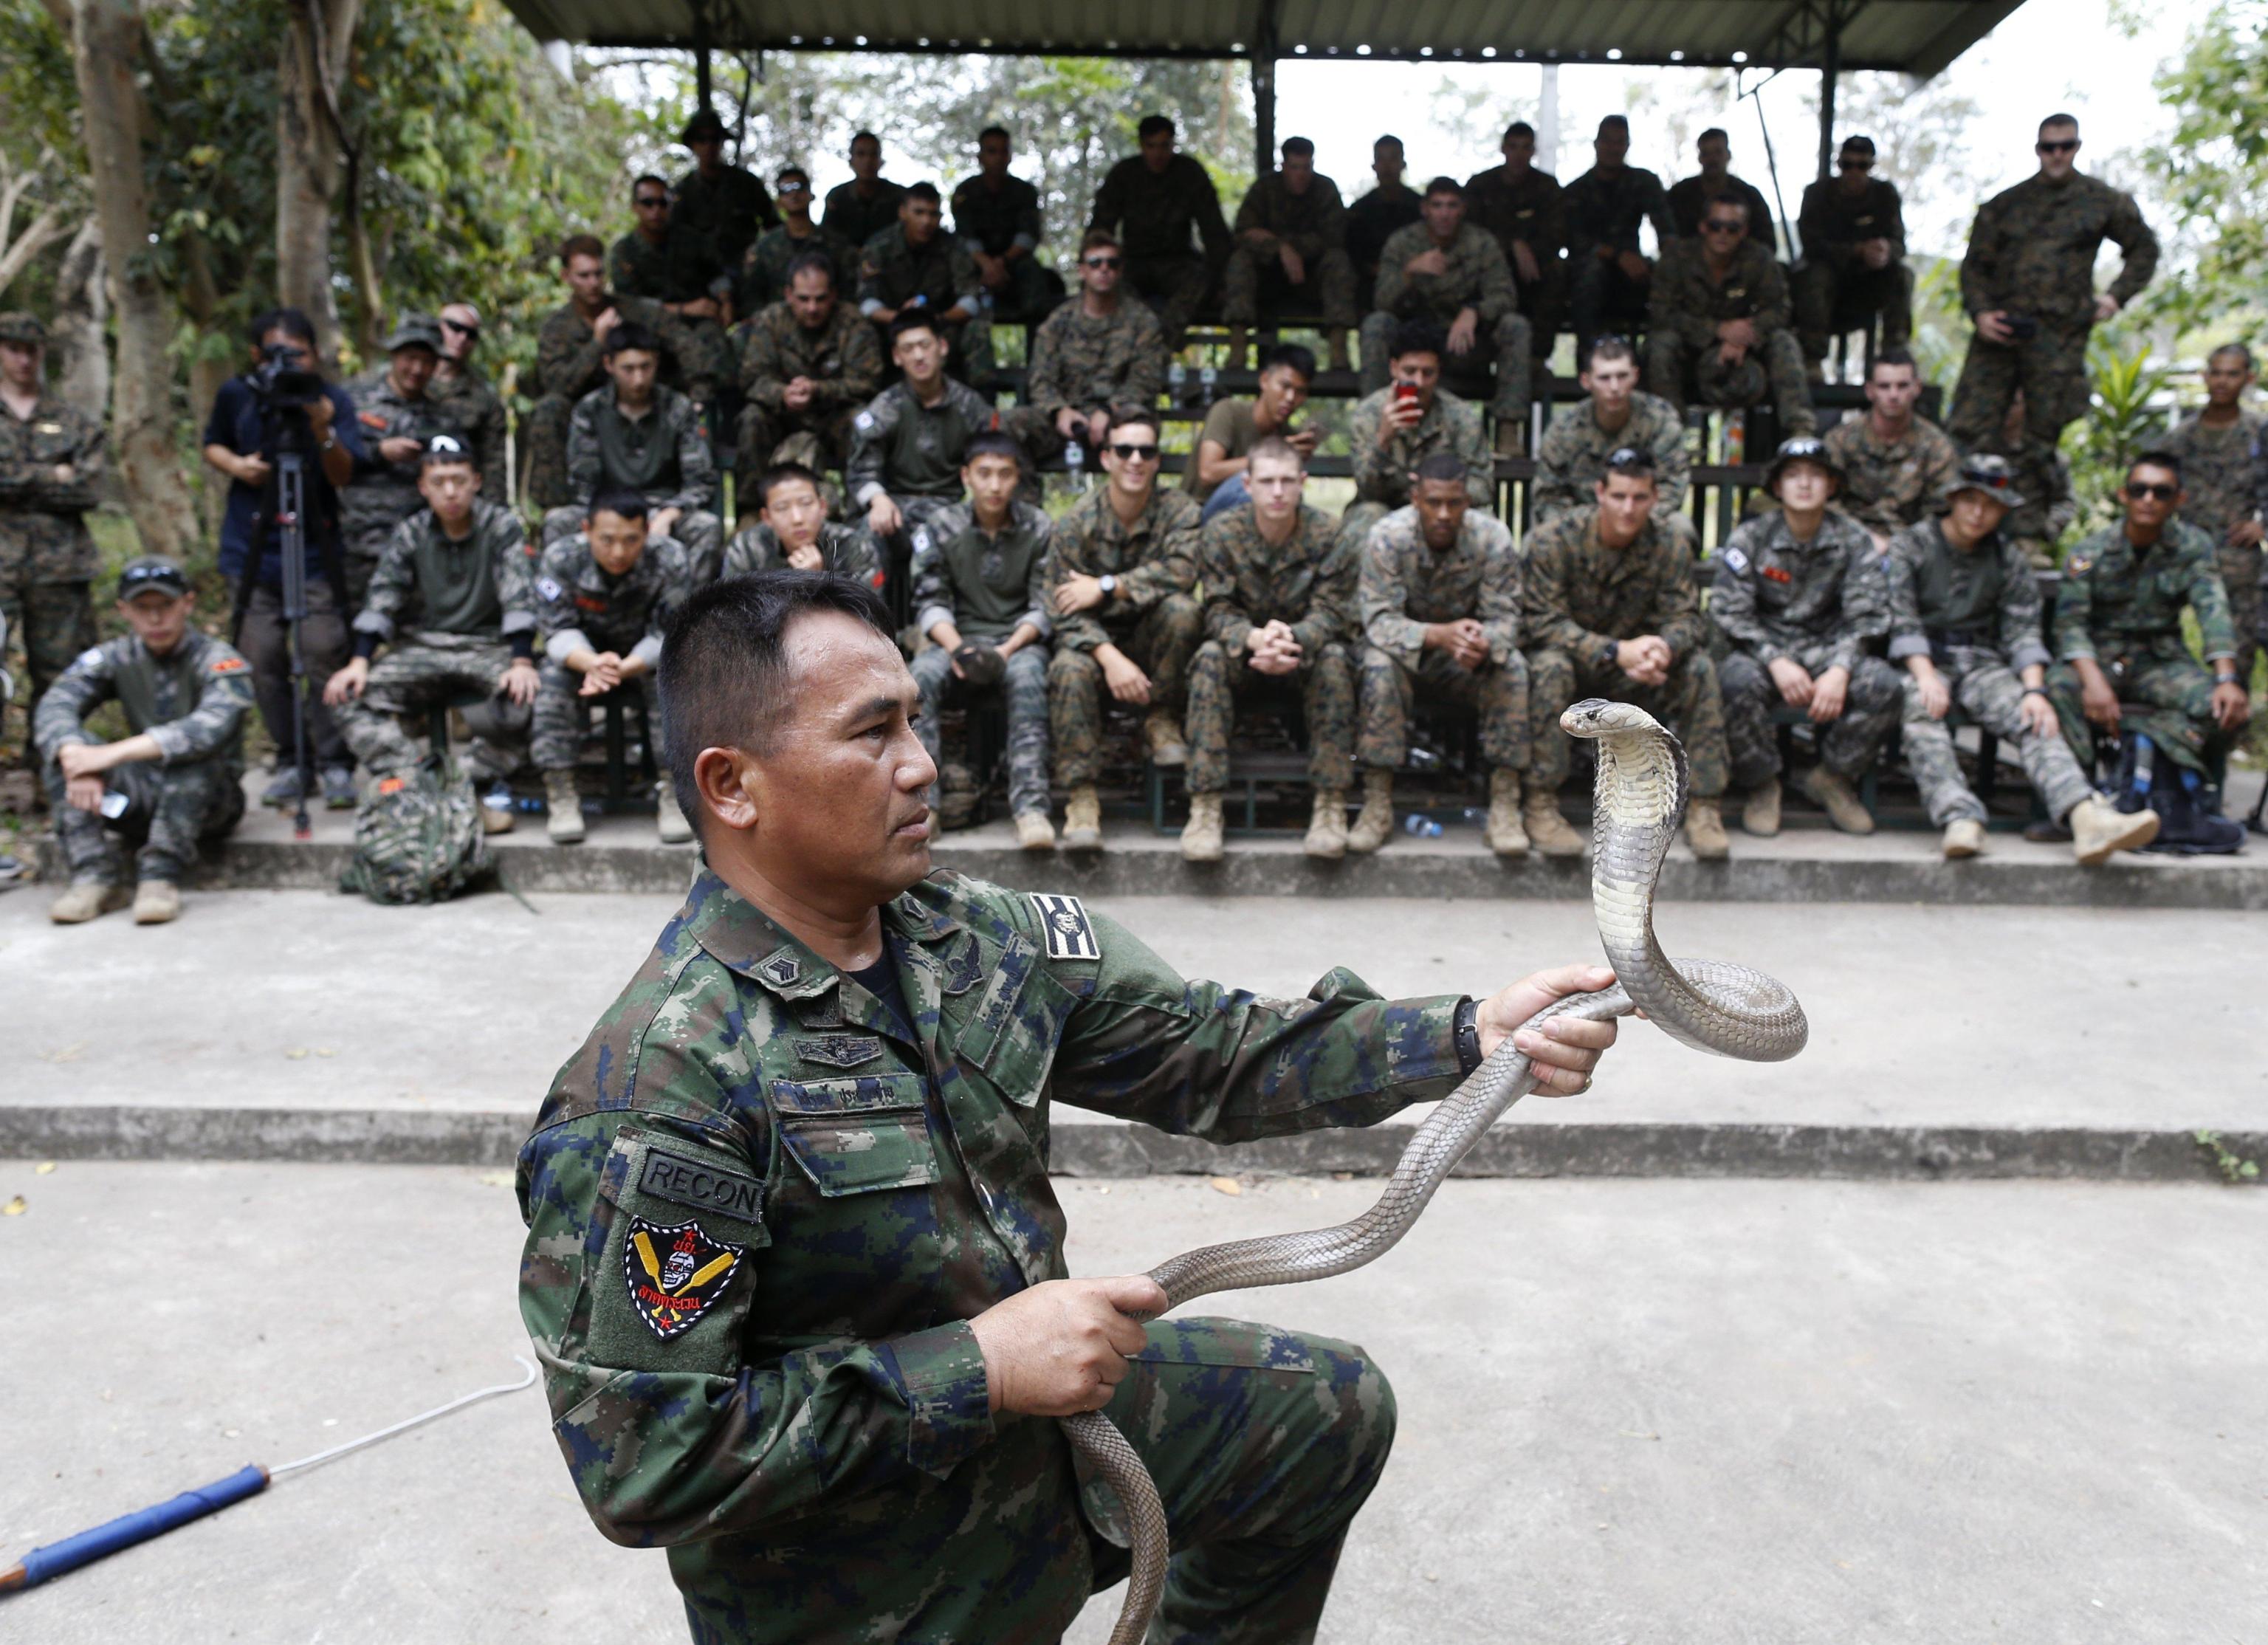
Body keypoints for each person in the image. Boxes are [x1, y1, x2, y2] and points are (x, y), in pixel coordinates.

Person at [515, 568, 1621, 1645]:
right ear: (731, 785)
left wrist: (1469, 1033)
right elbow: (645, 1461)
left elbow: (1208, 1051)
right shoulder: (659, 1086)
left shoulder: (972, 935)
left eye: (916, 722)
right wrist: (981, 1367)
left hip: (1045, 1438)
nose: (922, 766)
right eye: (871, 734)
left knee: (1326, 1413)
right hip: (859, 1577)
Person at [1885, 453, 2159, 862]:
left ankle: (2084, 817)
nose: (1978, 514)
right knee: (1922, 709)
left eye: (1991, 505)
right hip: (1922, 659)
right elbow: (1900, 617)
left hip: (1979, 659)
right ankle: (1960, 818)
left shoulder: (2007, 559)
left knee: (2035, 716)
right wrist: (1925, 675)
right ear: (1953, 500)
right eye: (1970, 501)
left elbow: (2022, 630)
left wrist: (2034, 689)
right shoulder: (1914, 544)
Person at [1522, 448, 1730, 860]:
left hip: (1642, 670)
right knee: (1547, 667)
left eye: (1639, 498)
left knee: (1699, 668)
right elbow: (1540, 622)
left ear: (1655, 499)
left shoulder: (1668, 543)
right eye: (1619, 496)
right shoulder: (1555, 539)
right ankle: (1541, 802)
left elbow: (1687, 618)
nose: (1629, 508)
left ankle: (1705, 806)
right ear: (1600, 493)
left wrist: (1663, 649)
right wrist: (1616, 651)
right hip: (1580, 667)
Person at [326, 436, 536, 829]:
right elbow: (383, 596)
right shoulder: (412, 532)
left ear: (475, 481)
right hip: (426, 645)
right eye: (438, 482)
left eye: (458, 480)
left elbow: (518, 594)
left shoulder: (500, 526)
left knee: (531, 697)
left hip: (486, 645)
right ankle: (416, 779)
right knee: (347, 695)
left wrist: (522, 660)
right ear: (423, 487)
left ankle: (469, 782)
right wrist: (359, 661)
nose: (450, 492)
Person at [202, 306, 364, 810]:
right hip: (253, 545)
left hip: (317, 547)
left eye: (300, 354)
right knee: (262, 658)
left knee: (323, 651)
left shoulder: (331, 400)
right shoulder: (238, 395)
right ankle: (292, 759)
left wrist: (323, 430)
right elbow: (212, 444)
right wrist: (239, 465)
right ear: (256, 355)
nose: (291, 365)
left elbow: (343, 474)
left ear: (316, 354)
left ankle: (335, 761)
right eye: (279, 354)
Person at [36, 557, 252, 925]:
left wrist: (106, 756)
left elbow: (209, 728)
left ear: (187, 603)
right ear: (124, 611)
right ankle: (94, 877)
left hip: (208, 804)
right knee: (63, 752)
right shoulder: (113, 656)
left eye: (165, 607)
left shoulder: (219, 660)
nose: (155, 620)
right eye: (142, 609)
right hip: (137, 798)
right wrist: (75, 757)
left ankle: (160, 877)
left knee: (191, 755)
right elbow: (57, 703)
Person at [1710, 437, 1899, 837]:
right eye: (1793, 476)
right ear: (1777, 487)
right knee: (1734, 681)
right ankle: (1763, 784)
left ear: (1832, 485)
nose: (1805, 484)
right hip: (1765, 649)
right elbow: (1730, 612)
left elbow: (1868, 615)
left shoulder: (1853, 539)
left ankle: (1832, 777)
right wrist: (1775, 659)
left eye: (1816, 476)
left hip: (1830, 648)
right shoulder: (1752, 538)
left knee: (1883, 685)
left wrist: (1840, 669)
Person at [1181, 436, 1358, 862]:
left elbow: (1335, 612)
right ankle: (1204, 808)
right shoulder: (1223, 533)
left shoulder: (1330, 534)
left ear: (1303, 482)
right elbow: (1217, 609)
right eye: (1267, 481)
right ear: (1247, 484)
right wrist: (1254, 639)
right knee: (1207, 658)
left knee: (1336, 660)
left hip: (1305, 657)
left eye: (1286, 481)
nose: (1277, 492)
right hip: (1247, 655)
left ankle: (1330, 805)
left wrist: (1290, 639)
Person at [1348, 451, 1528, 857]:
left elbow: (1508, 619)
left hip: (1463, 662)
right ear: (1416, 498)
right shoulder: (1388, 537)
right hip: (1405, 661)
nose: (1444, 513)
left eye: (1454, 502)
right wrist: (1438, 635)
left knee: (1512, 666)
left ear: (1468, 501)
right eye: (1434, 502)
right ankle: (1377, 802)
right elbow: (1379, 622)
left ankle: (1505, 802)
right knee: (1376, 664)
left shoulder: (1492, 538)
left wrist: (1484, 643)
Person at [1949, 114, 2159, 451]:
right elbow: (1974, 267)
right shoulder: (2005, 205)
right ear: (2038, 150)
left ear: (2077, 147)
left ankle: (2038, 504)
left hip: (2059, 334)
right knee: (1969, 427)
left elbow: (2144, 249)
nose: (2057, 154)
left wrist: (2115, 297)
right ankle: (1965, 502)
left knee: (2043, 434)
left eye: (2066, 146)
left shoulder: (2101, 200)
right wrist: (1980, 313)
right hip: (2002, 329)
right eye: (2049, 147)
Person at [1045, 405, 1204, 846]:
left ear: (1157, 460)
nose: (1135, 459)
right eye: (1125, 449)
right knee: (1067, 669)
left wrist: (1108, 585)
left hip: (1153, 635)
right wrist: (1110, 657)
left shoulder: (1180, 511)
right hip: (1096, 644)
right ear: (1107, 457)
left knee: (1183, 612)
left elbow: (1183, 572)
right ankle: (1082, 795)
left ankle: (1161, 718)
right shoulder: (1077, 522)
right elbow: (1060, 607)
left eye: (1146, 451)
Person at [2046, 451, 2248, 785]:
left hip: (2160, 661)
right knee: (2058, 686)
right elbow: (2070, 625)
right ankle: (2076, 799)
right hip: (2100, 659)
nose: (2148, 500)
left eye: (2161, 492)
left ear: (2178, 499)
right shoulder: (2088, 554)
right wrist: (2094, 682)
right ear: (2124, 495)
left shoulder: (2193, 547)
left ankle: (2167, 773)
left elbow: (2213, 610)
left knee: (2222, 706)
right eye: (2139, 490)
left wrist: (2226, 680)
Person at [908, 430, 1055, 850]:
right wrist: (959, 650)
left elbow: (1043, 605)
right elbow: (930, 600)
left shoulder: (1039, 526)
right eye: (985, 474)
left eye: (1005, 475)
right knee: (920, 679)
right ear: (966, 476)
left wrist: (1004, 652)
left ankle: (1031, 810)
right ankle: (926, 808)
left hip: (1018, 642)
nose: (995, 485)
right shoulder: (941, 527)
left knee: (1028, 679)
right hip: (954, 637)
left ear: (1018, 479)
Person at [531, 490, 696, 845]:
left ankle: (674, 791)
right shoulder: (562, 557)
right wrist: (592, 663)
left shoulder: (670, 559)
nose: (618, 552)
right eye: (606, 540)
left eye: (631, 540)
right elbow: (556, 630)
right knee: (552, 676)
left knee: (677, 673)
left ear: (648, 532)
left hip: (647, 657)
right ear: (587, 530)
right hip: (582, 657)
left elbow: (669, 631)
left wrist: (627, 666)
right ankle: (561, 791)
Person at [529, 235, 710, 512]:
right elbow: (557, 385)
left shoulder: (636, 311)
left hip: (642, 411)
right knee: (547, 410)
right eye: (584, 275)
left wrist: (698, 394)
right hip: (589, 418)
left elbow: (688, 346)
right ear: (567, 276)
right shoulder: (557, 327)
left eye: (598, 274)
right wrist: (597, 344)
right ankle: (559, 509)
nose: (593, 283)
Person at [845, 314, 1003, 615]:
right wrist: (878, 499)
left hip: (948, 505)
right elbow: (861, 469)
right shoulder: (886, 407)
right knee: (867, 534)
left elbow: (994, 460)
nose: (918, 356)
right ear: (896, 357)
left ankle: (938, 631)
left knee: (954, 534)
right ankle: (865, 625)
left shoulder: (969, 406)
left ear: (942, 347)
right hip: (896, 506)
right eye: (908, 349)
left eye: (924, 345)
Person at [1363, 176, 1532, 456]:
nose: (1444, 213)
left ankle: (1508, 428)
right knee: (1376, 325)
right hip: (1415, 347)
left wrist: (1474, 311)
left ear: (1463, 209)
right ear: (1424, 209)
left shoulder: (1481, 243)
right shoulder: (1403, 243)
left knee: (1516, 326)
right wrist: (1409, 273)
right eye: (1437, 205)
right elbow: (1381, 301)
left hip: (1464, 345)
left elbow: (1505, 296)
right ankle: (1375, 422)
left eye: (1452, 206)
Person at [551, 323, 723, 582]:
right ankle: (574, 602)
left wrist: (669, 514)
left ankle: (694, 610)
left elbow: (700, 480)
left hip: (663, 508)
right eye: (628, 369)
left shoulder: (678, 408)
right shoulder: (590, 410)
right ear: (609, 365)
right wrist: (610, 520)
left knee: (706, 527)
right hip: (606, 508)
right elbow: (583, 483)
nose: (638, 379)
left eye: (646, 367)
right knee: (558, 521)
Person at [0, 310, 103, 739]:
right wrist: (51, 474)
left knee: (60, 674)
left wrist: (13, 478)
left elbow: (90, 489)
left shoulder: (73, 418)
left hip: (59, 568)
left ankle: (55, 771)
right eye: (13, 350)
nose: (24, 360)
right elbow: (65, 484)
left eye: (32, 350)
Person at [1646, 195, 1815, 436]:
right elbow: (1661, 312)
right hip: (1690, 351)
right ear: (1703, 227)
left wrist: (1746, 335)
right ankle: (1669, 435)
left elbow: (1780, 308)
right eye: (1716, 226)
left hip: (1745, 354)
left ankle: (1801, 433)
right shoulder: (1677, 258)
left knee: (1783, 341)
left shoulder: (1759, 258)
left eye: (1733, 228)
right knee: (1660, 345)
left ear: (1744, 231)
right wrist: (1717, 330)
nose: (1723, 234)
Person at [732, 252, 883, 511]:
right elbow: (752, 378)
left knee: (861, 420)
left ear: (833, 295)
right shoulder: (771, 321)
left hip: (832, 417)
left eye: (820, 299)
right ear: (789, 294)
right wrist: (782, 394)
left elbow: (867, 381)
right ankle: (752, 511)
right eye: (803, 299)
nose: (812, 308)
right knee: (751, 419)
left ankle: (860, 509)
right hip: (782, 417)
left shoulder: (853, 323)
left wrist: (819, 390)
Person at [1341, 320, 1494, 560]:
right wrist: (1383, 439)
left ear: (1438, 373)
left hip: (1443, 509)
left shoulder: (1460, 416)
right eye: (1410, 372)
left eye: (1428, 373)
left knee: (1485, 526)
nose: (1419, 383)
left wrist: (1438, 488)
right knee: (1366, 518)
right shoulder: (1370, 413)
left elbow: (1483, 486)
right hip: (1385, 507)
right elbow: (1367, 489)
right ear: (1394, 368)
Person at [2162, 343, 2265, 688]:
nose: (2222, 382)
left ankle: (2229, 730)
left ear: (2249, 378)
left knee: (2240, 647)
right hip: (2183, 552)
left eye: (2232, 374)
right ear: (2204, 377)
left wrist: (2262, 524)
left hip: (2237, 554)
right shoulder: (2180, 438)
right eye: (2216, 373)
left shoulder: (2259, 432)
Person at [342, 314, 461, 610]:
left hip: (416, 549)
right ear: (394, 355)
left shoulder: (442, 415)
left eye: (427, 361)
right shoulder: (354, 399)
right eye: (410, 358)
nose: (417, 369)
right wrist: (378, 452)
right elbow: (331, 457)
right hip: (356, 544)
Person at [1088, 114, 1231, 350]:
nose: (1158, 154)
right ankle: (1142, 337)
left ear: (1173, 145)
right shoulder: (1124, 175)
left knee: (1200, 278)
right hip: (1133, 262)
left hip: (1178, 262)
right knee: (1111, 282)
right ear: (1141, 146)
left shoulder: (1190, 173)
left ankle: (1160, 340)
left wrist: (1222, 280)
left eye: (1164, 146)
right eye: (1151, 146)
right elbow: (1101, 228)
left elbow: (1214, 230)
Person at [1021, 230, 1166, 462]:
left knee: (1139, 433)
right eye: (1095, 263)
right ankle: (1022, 499)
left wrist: (1111, 410)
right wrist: (1059, 410)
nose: (1104, 269)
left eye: (1112, 263)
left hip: (1121, 419)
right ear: (1082, 270)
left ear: (1120, 270)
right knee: (1013, 426)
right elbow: (1041, 378)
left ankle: (1132, 499)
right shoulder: (1059, 321)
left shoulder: (1142, 321)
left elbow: (1144, 380)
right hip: (1066, 419)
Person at [1222, 137, 1356, 370]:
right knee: (1240, 261)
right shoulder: (1264, 188)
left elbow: (1334, 237)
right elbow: (1243, 233)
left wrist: (1294, 250)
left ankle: (1338, 352)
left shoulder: (1325, 189)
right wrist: (1280, 249)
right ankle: (1238, 348)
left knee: (1339, 262)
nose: (1301, 175)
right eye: (1295, 167)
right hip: (1268, 278)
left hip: (1312, 279)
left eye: (1306, 167)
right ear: (1284, 166)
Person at [1532, 334, 1690, 523]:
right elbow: (1549, 496)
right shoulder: (1564, 428)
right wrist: (1594, 526)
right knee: (1539, 539)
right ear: (1586, 381)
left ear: (1635, 376)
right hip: (1581, 529)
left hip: (1643, 523)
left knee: (1680, 526)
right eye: (1604, 378)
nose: (1614, 387)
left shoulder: (1660, 420)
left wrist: (1630, 520)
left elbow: (1671, 488)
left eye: (1622, 376)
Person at [1793, 135, 1911, 374]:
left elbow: (1899, 242)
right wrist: (1856, 251)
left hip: (1868, 283)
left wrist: (1886, 251)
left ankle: (1895, 355)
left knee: (1902, 275)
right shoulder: (1818, 194)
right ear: (1839, 165)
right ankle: (1812, 360)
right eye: (1847, 165)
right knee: (1815, 276)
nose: (1854, 172)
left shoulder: (1885, 195)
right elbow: (1811, 245)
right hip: (1826, 284)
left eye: (1862, 165)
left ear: (1871, 167)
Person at [1818, 348, 1959, 549]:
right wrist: (1864, 539)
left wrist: (1903, 546)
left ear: (1917, 388)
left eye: (1902, 386)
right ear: (1870, 391)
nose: (1894, 395)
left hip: (1913, 546)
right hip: (1847, 541)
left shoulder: (1935, 445)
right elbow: (1826, 501)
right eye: (1884, 386)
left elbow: (1941, 511)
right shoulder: (1840, 440)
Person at [859, 182, 992, 385]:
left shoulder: (953, 246)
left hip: (941, 326)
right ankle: (867, 398)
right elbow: (867, 302)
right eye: (919, 213)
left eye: (933, 214)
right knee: (862, 330)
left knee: (978, 327)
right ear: (903, 212)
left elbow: (970, 300)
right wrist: (900, 317)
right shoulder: (879, 246)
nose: (926, 221)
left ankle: (983, 402)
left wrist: (938, 317)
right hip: (891, 325)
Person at [611, 174, 735, 393]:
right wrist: (684, 309)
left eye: (663, 203)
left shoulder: (691, 240)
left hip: (696, 324)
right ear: (635, 207)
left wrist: (725, 302)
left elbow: (716, 274)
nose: (656, 210)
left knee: (715, 344)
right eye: (648, 203)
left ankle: (713, 410)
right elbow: (630, 305)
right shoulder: (625, 251)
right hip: (649, 327)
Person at [1563, 115, 1673, 354]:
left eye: (1619, 142)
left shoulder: (1644, 182)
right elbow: (1573, 239)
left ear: (1627, 145)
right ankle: (1590, 360)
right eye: (1607, 141)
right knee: (1590, 272)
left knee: (1672, 278)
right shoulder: (1576, 191)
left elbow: (1665, 229)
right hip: (1589, 276)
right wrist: (1617, 255)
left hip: (1635, 273)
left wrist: (1670, 260)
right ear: (1596, 144)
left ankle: (1654, 358)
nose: (1613, 148)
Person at [1463, 122, 1565, 363]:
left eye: (1525, 148)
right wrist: (1511, 245)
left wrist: (1529, 251)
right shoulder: (1480, 186)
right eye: (1513, 147)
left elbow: (1558, 234)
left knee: (1558, 270)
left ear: (1533, 152)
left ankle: (1538, 357)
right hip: (1487, 268)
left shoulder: (1547, 187)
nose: (1519, 155)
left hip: (1533, 270)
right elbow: (1468, 233)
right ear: (1503, 149)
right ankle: (1473, 355)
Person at [1184, 342, 1317, 517]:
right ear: (1264, 381)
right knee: (1253, 487)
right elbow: (1208, 472)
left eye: (1300, 392)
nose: (1291, 398)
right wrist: (1273, 455)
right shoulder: (1228, 411)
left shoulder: (1288, 434)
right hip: (1203, 513)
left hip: (1254, 521)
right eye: (1285, 386)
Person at [952, 126, 1059, 323]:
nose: (999, 158)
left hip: (1014, 266)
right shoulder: (965, 192)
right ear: (980, 157)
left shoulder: (1024, 192)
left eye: (1004, 151)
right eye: (992, 151)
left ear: (1010, 156)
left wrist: (1000, 263)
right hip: (975, 266)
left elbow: (1028, 236)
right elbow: (964, 237)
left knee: (1041, 286)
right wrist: (986, 265)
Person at [719, 461, 882, 586]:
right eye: (782, 508)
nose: (797, 519)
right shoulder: (747, 548)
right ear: (767, 517)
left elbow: (869, 618)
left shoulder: (853, 546)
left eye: (806, 503)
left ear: (823, 507)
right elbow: (732, 614)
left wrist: (819, 583)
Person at [671, 107, 777, 279]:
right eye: (702, 140)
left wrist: (760, 252)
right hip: (700, 277)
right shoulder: (682, 191)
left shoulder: (747, 183)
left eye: (715, 139)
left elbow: (774, 225)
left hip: (747, 273)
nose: (709, 146)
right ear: (692, 144)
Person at [738, 168, 859, 315]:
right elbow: (752, 295)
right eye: (786, 189)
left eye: (799, 187)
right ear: (779, 202)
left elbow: (850, 290)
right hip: (778, 327)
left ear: (811, 195)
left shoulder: (837, 244)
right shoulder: (764, 248)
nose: (794, 194)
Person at [1979, 389, 2078, 568]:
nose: (2008, 408)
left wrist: (2045, 528)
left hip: (2028, 547)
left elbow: (2065, 501)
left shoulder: (2047, 456)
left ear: (2026, 407)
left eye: (2014, 403)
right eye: (2004, 401)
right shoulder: (1980, 450)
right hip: (1979, 542)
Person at [427, 302, 509, 501]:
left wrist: (493, 514)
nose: (462, 338)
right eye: (455, 328)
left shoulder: (484, 397)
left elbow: (494, 465)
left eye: (471, 334)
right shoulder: (410, 382)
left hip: (463, 500)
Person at [1346, 134, 1423, 313]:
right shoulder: (1359, 211)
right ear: (1374, 166)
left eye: (1393, 159)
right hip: (1371, 285)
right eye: (1381, 159)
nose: (1387, 167)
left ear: (1403, 164)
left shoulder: (1420, 207)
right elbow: (1353, 253)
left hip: (1417, 282)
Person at [1666, 128, 1777, 252]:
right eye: (1706, 153)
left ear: (1728, 155)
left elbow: (1767, 243)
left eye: (1718, 152)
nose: (1712, 159)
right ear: (1700, 158)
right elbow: (1667, 237)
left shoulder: (1749, 196)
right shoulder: (1680, 194)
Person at [821, 131, 909, 254]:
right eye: (861, 154)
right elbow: (828, 237)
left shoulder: (900, 196)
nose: (868, 161)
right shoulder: (837, 197)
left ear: (880, 160)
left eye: (873, 155)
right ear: (851, 161)